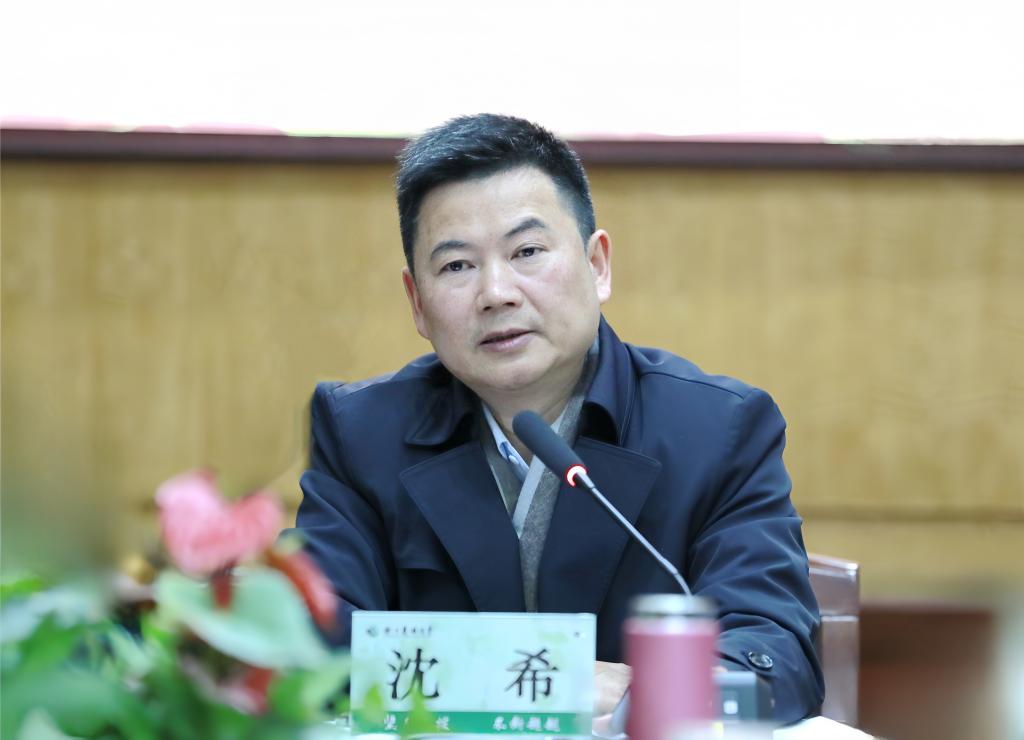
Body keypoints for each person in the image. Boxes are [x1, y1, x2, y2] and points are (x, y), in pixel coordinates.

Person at [294, 113, 824, 723]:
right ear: (417, 302)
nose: (497, 293)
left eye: (527, 252)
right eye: (457, 266)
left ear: (597, 266)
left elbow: (773, 656)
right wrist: (557, 680)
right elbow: (305, 648)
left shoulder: (718, 430)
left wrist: (642, 698)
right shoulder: (361, 432)